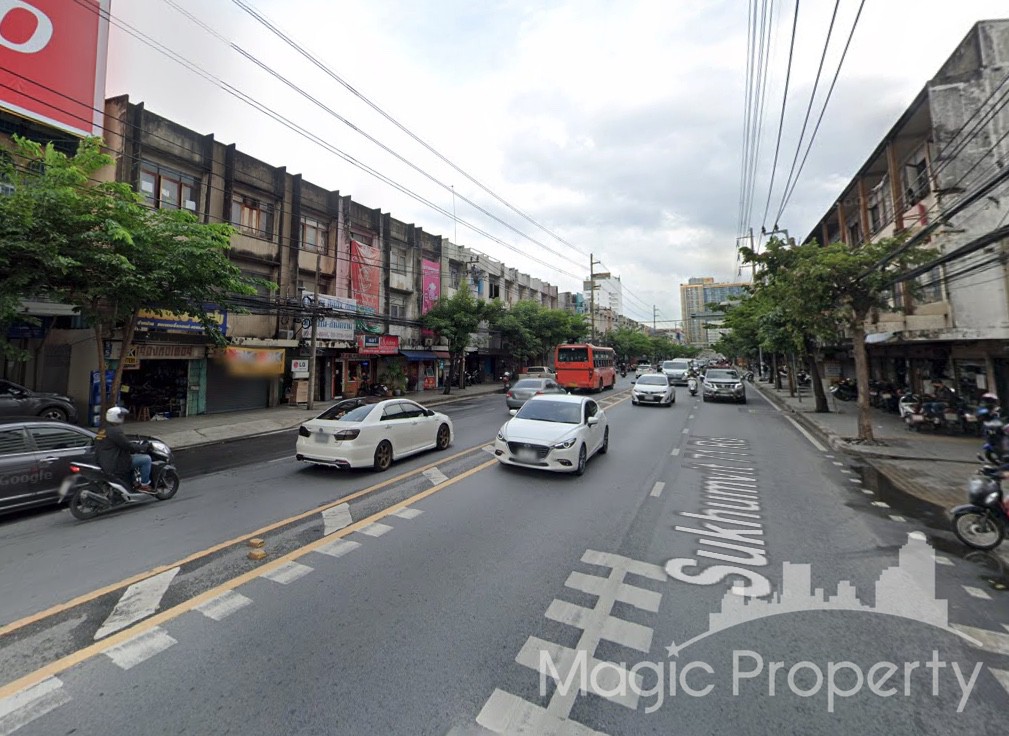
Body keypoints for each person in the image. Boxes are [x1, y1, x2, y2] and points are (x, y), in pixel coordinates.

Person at [95, 406, 153, 492]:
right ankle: (144, 485)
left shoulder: (103, 429)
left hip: (104, 461)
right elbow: (128, 446)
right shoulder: (115, 431)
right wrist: (143, 447)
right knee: (146, 459)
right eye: (121, 416)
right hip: (115, 462)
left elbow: (119, 443)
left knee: (132, 458)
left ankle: (133, 481)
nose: (123, 418)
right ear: (115, 417)